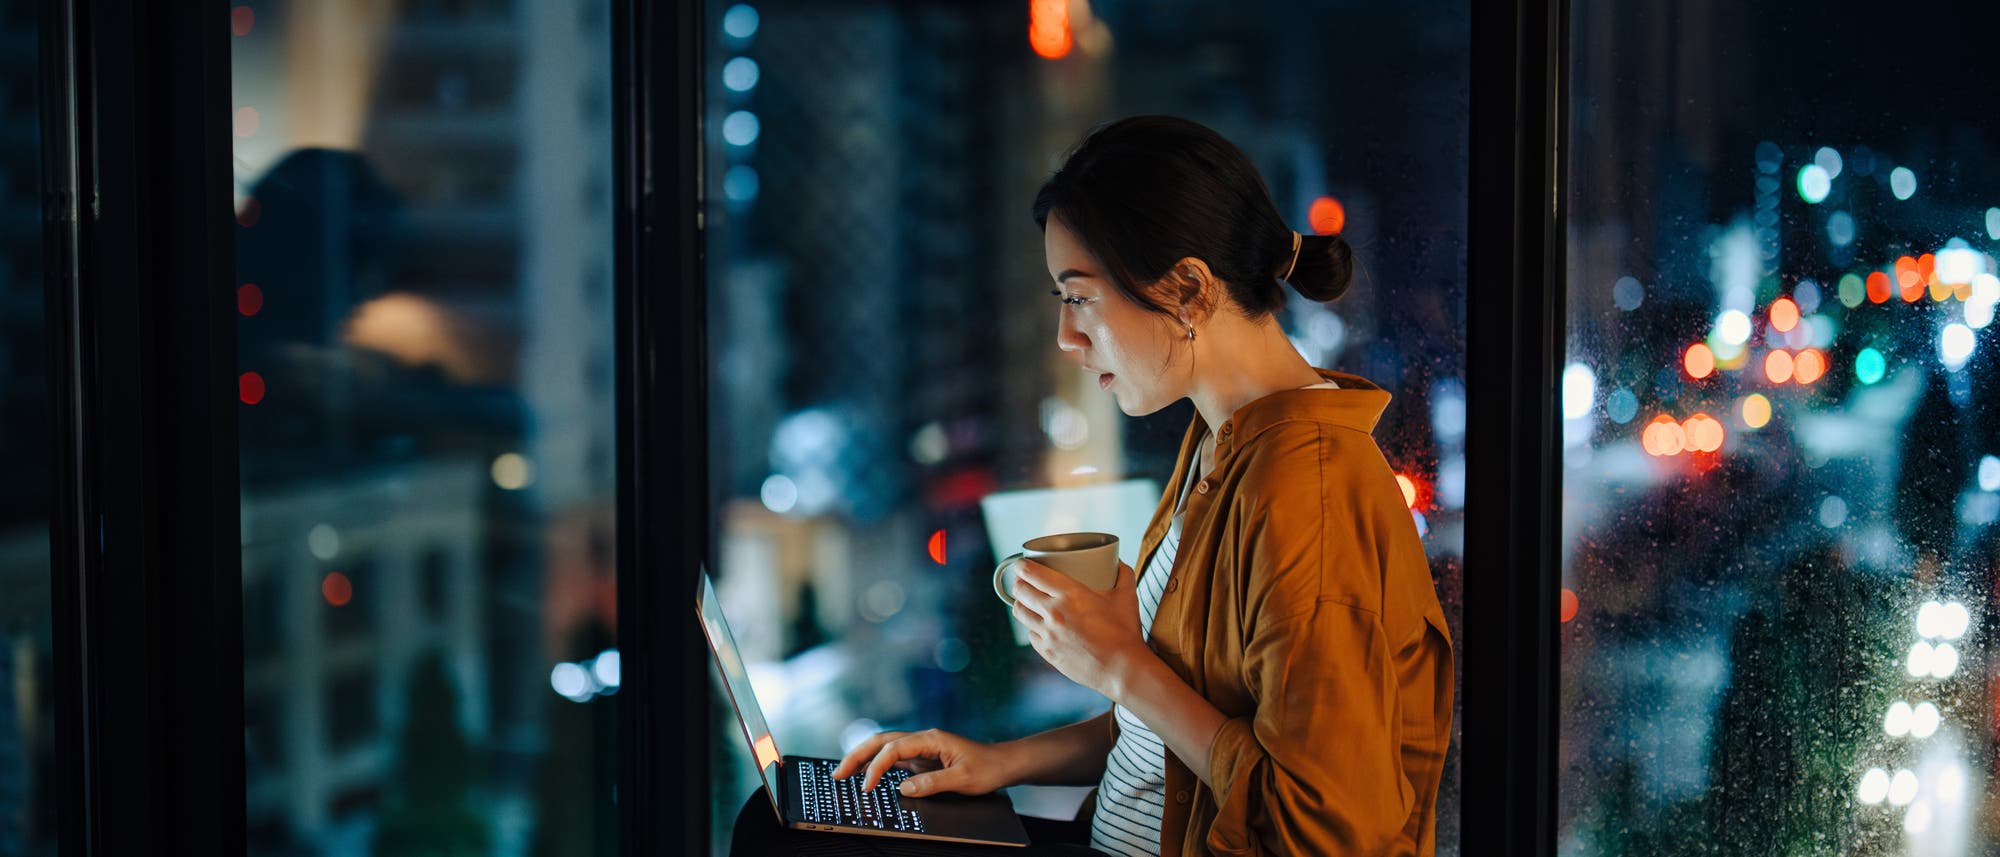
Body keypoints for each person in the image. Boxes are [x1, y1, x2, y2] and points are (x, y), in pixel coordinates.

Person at [773, 115, 1454, 856]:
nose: (1068, 337)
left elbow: (1327, 836)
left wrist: (1119, 663)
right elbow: (1170, 725)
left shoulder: (1307, 495)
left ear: (1188, 290)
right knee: (795, 818)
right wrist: (998, 761)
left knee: (787, 835)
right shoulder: (1221, 442)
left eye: (1080, 297)